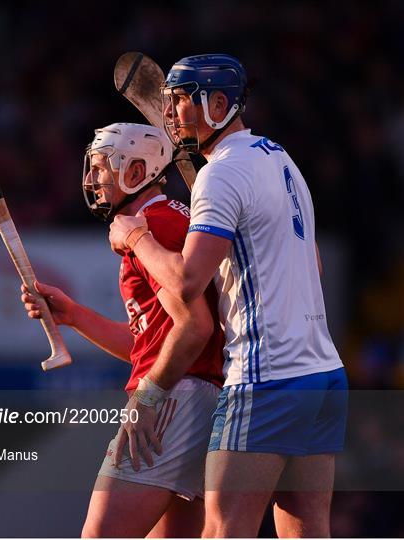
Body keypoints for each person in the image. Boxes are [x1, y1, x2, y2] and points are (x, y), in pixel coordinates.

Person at [109, 55, 348, 538]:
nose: (171, 112)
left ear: (218, 103)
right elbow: (313, 266)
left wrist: (136, 238)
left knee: (222, 531)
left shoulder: (222, 173)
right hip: (323, 374)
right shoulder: (281, 159)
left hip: (266, 377)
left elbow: (187, 284)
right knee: (308, 531)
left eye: (180, 100)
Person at [21, 122, 224, 538]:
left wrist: (148, 397)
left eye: (101, 166)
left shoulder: (154, 226)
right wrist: (75, 315)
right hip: (198, 394)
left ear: (135, 172)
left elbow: (195, 327)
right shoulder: (164, 220)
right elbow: (153, 342)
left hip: (174, 397)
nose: (92, 178)